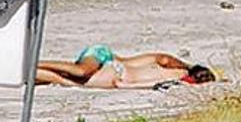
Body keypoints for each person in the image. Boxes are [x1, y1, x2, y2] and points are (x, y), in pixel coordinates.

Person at [36, 47, 215, 88]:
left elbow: (150, 83)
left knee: (64, 79)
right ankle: (34, 63)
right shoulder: (176, 68)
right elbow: (164, 59)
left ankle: (22, 72)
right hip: (105, 58)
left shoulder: (176, 76)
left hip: (110, 67)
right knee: (80, 72)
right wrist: (187, 66)